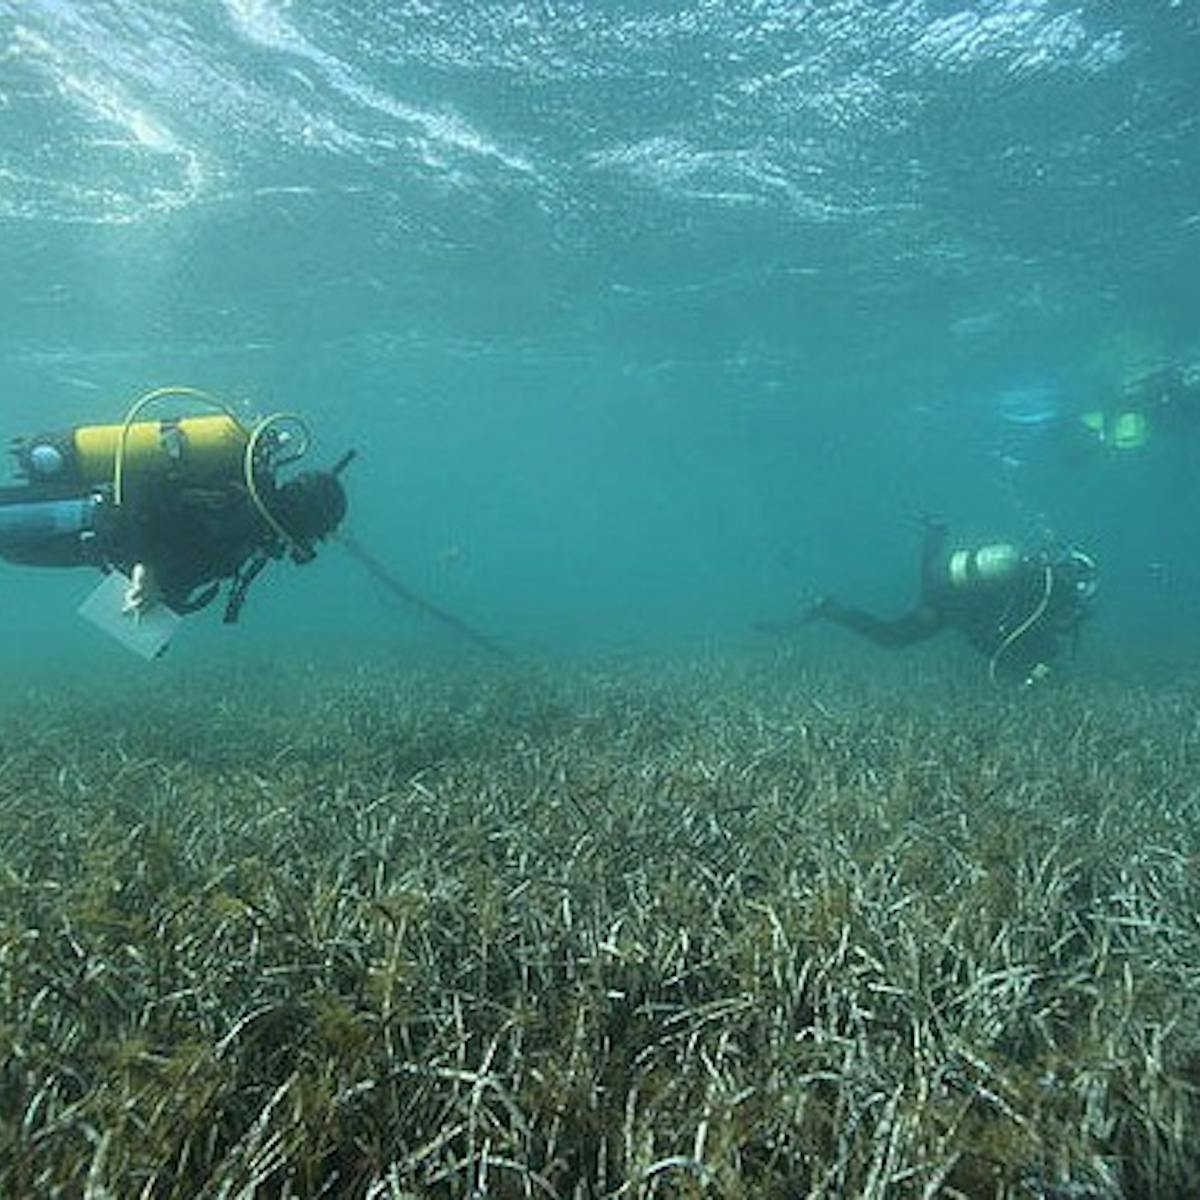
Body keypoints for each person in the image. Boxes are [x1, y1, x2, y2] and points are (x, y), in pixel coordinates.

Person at [0, 393, 351, 624]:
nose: (302, 547)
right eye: (311, 535)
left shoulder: (244, 541)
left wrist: (155, 609)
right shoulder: (240, 498)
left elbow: (180, 570)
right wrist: (144, 566)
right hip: (77, 513)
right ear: (305, 519)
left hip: (83, 545)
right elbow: (144, 484)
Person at [799, 518, 1098, 687]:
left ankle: (934, 535)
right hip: (948, 606)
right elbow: (1001, 640)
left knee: (925, 591)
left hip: (949, 593)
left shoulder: (1035, 576)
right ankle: (830, 609)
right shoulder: (1043, 597)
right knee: (894, 637)